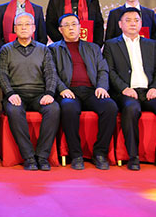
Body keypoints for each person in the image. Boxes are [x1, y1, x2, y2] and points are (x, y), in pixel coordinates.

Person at [103, 7, 156, 171]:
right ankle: (133, 157)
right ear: (120, 24)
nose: (132, 23)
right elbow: (110, 70)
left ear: (141, 23)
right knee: (131, 109)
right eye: (128, 20)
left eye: (136, 20)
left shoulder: (151, 44)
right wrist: (124, 88)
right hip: (126, 92)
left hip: (149, 90)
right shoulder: (111, 45)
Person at [49, 13, 117, 171]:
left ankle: (100, 153)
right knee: (69, 108)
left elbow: (103, 70)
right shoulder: (53, 49)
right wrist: (62, 89)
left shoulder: (93, 48)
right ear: (60, 30)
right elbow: (51, 73)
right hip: (68, 91)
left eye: (74, 24)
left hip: (92, 90)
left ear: (80, 27)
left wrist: (101, 86)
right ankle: (76, 155)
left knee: (110, 107)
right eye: (67, 25)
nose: (71, 28)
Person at [0, 12, 59, 171]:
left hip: (39, 94)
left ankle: (42, 156)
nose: (24, 28)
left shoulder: (43, 49)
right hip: (16, 94)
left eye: (27, 24)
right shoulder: (6, 50)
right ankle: (29, 157)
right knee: (14, 110)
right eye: (20, 25)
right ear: (14, 29)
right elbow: (2, 74)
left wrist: (49, 93)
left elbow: (51, 73)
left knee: (53, 109)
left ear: (34, 28)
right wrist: (10, 94)